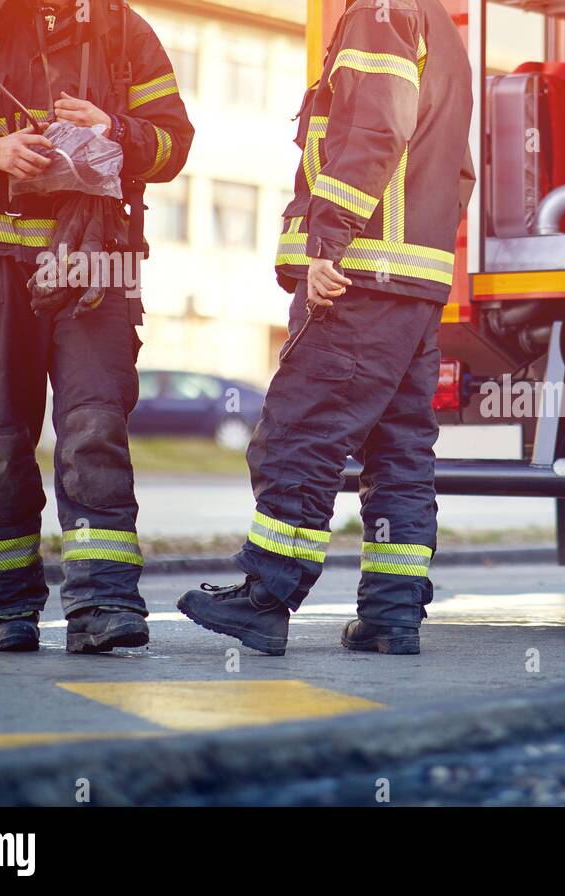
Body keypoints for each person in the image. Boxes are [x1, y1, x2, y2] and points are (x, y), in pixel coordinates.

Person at [178, 0, 474, 656]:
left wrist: (329, 242)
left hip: (358, 277)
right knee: (399, 452)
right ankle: (392, 615)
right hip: (413, 284)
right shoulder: (440, 29)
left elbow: (375, 127)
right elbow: (458, 172)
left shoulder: (380, 11)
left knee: (300, 430)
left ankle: (267, 596)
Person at [0, 0, 193, 652]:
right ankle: (8, 607)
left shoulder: (126, 31)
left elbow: (175, 142)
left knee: (95, 429)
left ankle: (104, 604)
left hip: (99, 263)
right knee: (2, 440)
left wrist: (115, 131)